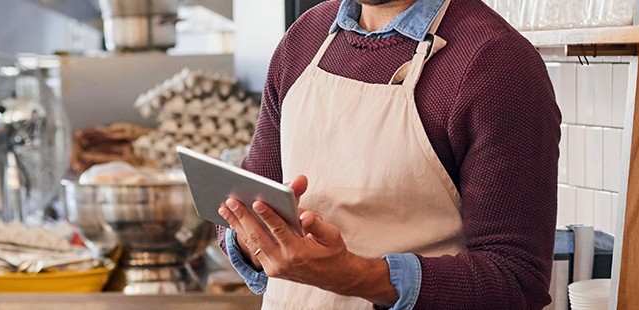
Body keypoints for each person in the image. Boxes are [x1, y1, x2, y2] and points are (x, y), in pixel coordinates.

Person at [215, 0, 560, 308]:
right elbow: (249, 198)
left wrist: (357, 275)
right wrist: (251, 240)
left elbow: (517, 281)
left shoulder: (498, 63)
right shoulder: (305, 36)